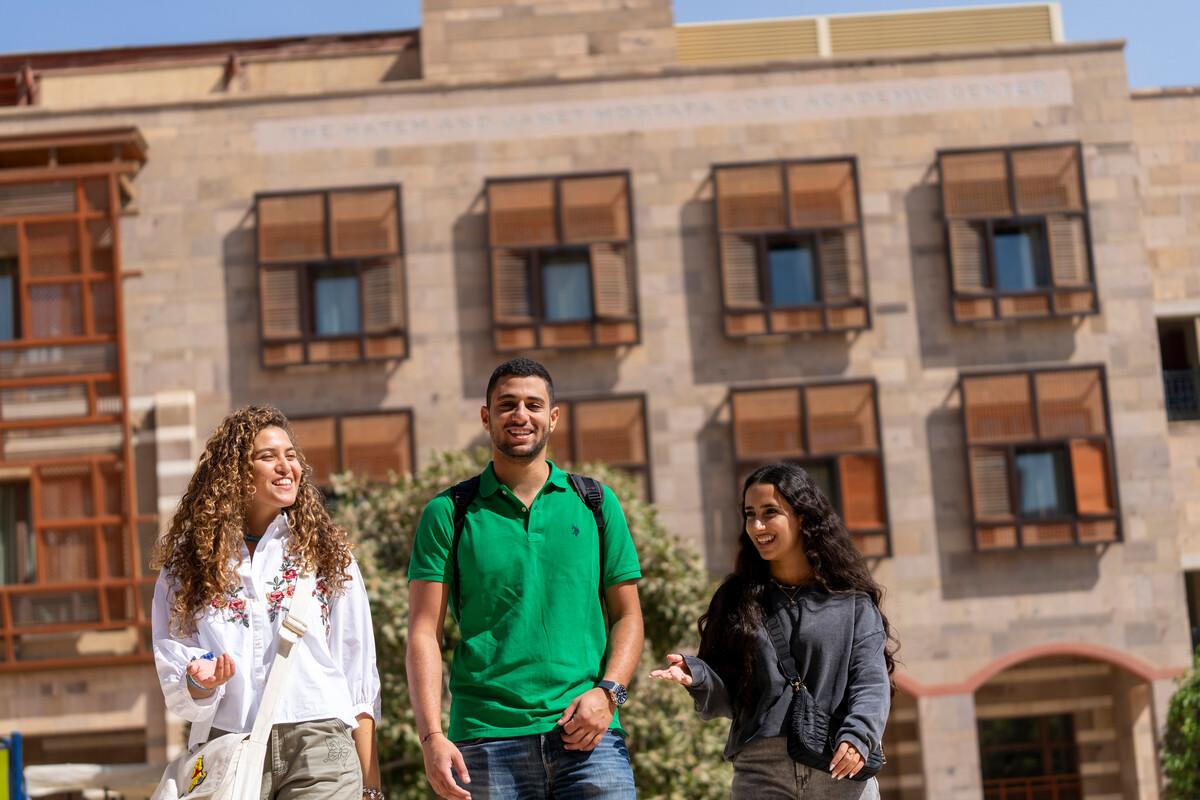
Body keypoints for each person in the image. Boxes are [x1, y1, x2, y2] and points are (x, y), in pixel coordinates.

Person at [407, 358, 644, 800]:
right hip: (484, 740)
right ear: (486, 417)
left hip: (589, 736)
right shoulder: (449, 512)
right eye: (507, 405)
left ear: (553, 417)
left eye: (533, 405)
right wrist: (431, 736)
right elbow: (424, 630)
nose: (520, 415)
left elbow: (628, 615)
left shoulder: (595, 502)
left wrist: (610, 694)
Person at [151, 406, 384, 800]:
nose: (285, 466)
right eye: (267, 456)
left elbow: (358, 672)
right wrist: (199, 682)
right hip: (230, 745)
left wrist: (371, 785)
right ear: (234, 472)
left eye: (291, 455)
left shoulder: (327, 554)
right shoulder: (185, 566)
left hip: (320, 743)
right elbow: (174, 664)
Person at [650, 462, 895, 799]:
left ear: (803, 517)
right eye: (750, 514)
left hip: (839, 768)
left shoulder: (852, 603)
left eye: (770, 512)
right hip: (761, 772)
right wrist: (698, 676)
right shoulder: (737, 598)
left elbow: (871, 681)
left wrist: (859, 736)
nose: (757, 525)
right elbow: (731, 694)